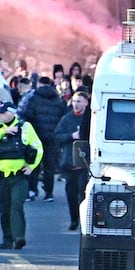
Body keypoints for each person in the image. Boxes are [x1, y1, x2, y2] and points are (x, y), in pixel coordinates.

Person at [0, 102, 43, 249]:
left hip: (19, 175)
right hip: (2, 175)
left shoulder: (25, 127)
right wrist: (3, 132)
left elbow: (38, 147)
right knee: (4, 208)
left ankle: (19, 237)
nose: (1, 115)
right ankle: (7, 239)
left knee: (16, 205)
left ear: (12, 113)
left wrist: (32, 167)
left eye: (4, 113)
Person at [19, 76, 66, 202]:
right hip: (52, 137)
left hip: (36, 135)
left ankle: (32, 190)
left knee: (34, 163)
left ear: (39, 84)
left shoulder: (33, 98)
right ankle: (49, 192)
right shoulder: (57, 100)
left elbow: (27, 115)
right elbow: (62, 117)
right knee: (49, 166)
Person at [54, 91, 90, 230]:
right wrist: (71, 136)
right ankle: (74, 219)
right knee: (71, 194)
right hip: (69, 162)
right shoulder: (66, 119)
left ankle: (84, 220)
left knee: (83, 193)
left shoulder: (89, 119)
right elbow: (57, 136)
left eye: (79, 101)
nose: (76, 104)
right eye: (74, 101)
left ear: (86, 103)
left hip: (84, 164)